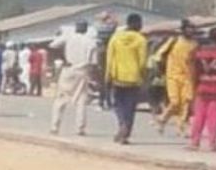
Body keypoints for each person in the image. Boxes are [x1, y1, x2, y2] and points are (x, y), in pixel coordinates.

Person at [49, 20, 97, 136]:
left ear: (76, 28)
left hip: (68, 69)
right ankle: (80, 128)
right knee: (81, 100)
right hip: (82, 71)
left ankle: (55, 126)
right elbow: (94, 62)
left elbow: (52, 45)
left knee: (61, 99)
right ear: (86, 29)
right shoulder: (91, 42)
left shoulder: (69, 37)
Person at [106, 13, 147, 145]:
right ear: (137, 24)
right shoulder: (141, 40)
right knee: (130, 106)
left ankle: (122, 124)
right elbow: (142, 62)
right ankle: (126, 131)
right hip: (134, 78)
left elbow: (110, 59)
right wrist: (143, 77)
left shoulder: (115, 38)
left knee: (118, 105)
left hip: (117, 77)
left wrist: (108, 76)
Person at [154, 20, 198, 137]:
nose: (191, 31)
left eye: (192, 28)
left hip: (188, 77)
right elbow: (159, 56)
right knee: (175, 102)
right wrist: (159, 70)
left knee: (186, 102)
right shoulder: (174, 41)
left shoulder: (195, 44)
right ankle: (163, 118)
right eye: (188, 28)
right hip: (173, 75)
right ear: (183, 29)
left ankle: (181, 127)